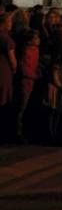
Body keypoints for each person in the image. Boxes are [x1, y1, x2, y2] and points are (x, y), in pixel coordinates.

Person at [0, 12, 17, 142]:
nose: (11, 24)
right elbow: (12, 59)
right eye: (10, 22)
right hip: (4, 70)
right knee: (3, 98)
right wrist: (15, 67)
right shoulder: (6, 38)